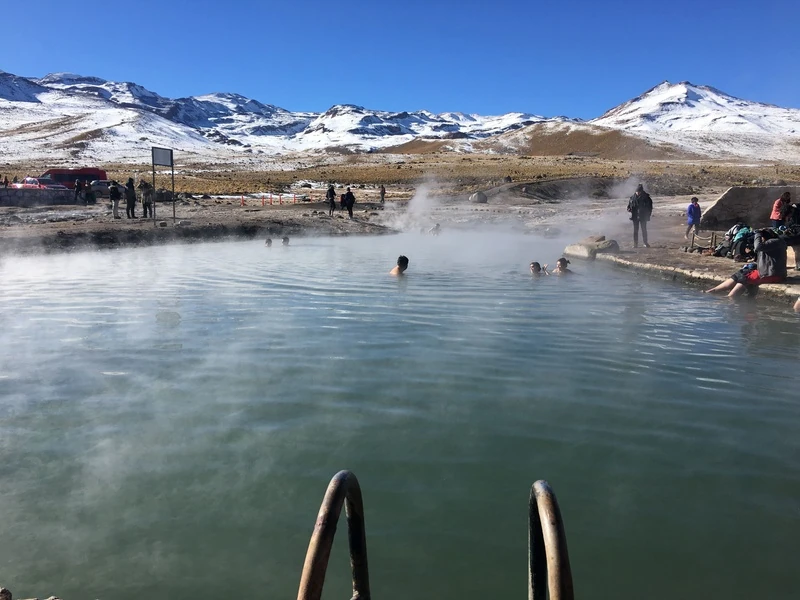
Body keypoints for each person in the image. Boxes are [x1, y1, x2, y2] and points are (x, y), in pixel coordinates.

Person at [704, 228, 787, 297]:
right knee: (741, 272)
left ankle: (731, 296)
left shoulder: (776, 242)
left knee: (745, 277)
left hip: (773, 275)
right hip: (767, 272)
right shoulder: (772, 243)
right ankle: (714, 290)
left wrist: (758, 234)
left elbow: (758, 246)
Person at [627, 184, 653, 248]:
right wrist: (629, 209)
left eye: (639, 192)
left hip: (643, 216)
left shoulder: (647, 198)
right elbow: (629, 206)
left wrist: (648, 215)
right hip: (635, 216)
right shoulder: (632, 197)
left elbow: (650, 207)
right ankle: (635, 244)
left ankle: (645, 243)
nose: (637, 193)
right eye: (637, 191)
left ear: (641, 191)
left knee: (644, 229)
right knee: (635, 231)